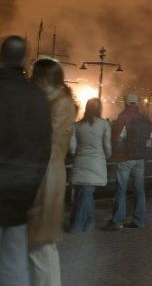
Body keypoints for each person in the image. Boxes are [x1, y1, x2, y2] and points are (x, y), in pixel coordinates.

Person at [0, 36, 51, 286]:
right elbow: (44, 148)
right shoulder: (37, 97)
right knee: (14, 262)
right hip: (20, 192)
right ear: (24, 60)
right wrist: (31, 190)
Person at [27, 58, 78, 286]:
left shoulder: (60, 104)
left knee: (41, 245)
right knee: (38, 245)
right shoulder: (54, 101)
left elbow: (44, 140)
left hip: (46, 177)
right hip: (44, 174)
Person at [106, 94, 152, 230]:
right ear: (137, 103)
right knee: (139, 190)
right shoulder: (144, 118)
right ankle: (140, 220)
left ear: (126, 104)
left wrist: (116, 152)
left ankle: (118, 221)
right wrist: (144, 151)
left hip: (125, 158)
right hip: (140, 158)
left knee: (121, 189)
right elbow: (150, 138)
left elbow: (116, 138)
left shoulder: (123, 118)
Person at [69, 98, 112, 233]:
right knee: (87, 193)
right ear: (99, 109)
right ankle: (81, 223)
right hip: (96, 162)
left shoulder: (77, 125)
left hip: (80, 161)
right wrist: (108, 156)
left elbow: (72, 148)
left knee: (83, 192)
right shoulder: (104, 124)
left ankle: (85, 222)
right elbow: (107, 146)